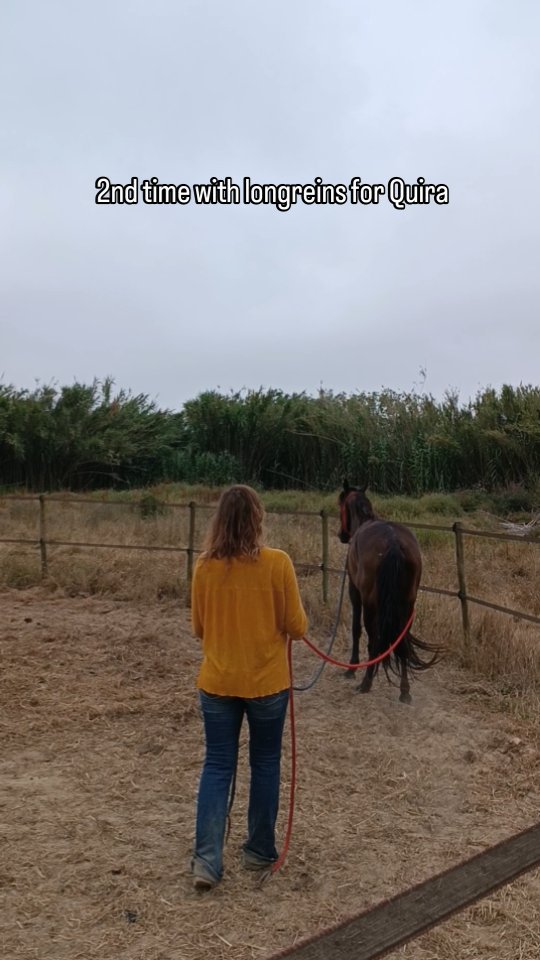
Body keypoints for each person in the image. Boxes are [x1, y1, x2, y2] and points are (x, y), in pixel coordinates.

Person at [190, 484, 308, 891]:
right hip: (267, 685)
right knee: (266, 763)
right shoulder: (278, 563)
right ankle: (258, 850)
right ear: (258, 519)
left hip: (217, 683)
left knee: (217, 765)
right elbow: (297, 627)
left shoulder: (204, 566)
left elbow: (198, 627)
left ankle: (206, 861)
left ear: (219, 520)